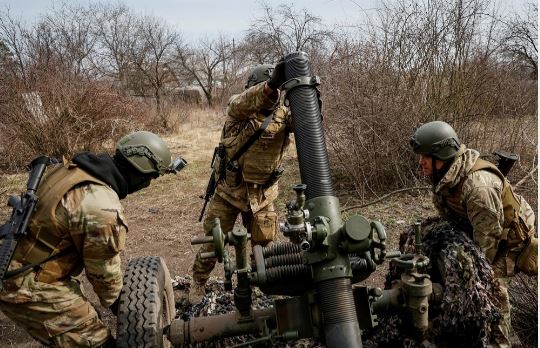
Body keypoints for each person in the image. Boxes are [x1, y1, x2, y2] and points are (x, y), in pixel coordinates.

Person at [0, 131, 184, 348]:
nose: (149, 184)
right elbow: (103, 276)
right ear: (140, 174)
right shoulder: (101, 207)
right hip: (27, 284)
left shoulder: (73, 169)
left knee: (89, 316)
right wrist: (131, 309)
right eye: (151, 177)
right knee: (98, 343)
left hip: (24, 260)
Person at [410, 120, 536, 347]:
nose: (421, 162)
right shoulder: (447, 174)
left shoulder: (478, 187)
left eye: (425, 157)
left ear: (442, 155)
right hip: (482, 230)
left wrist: (468, 278)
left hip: (508, 242)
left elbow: (487, 244)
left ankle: (501, 341)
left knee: (489, 290)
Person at [189, 62, 291, 304]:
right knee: (212, 245)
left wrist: (308, 97)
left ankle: (261, 284)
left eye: (276, 91)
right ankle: (198, 283)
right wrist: (270, 86)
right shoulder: (239, 110)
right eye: (267, 90)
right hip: (228, 192)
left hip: (263, 195)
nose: (273, 96)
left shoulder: (284, 115)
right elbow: (241, 102)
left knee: (264, 248)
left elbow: (307, 123)